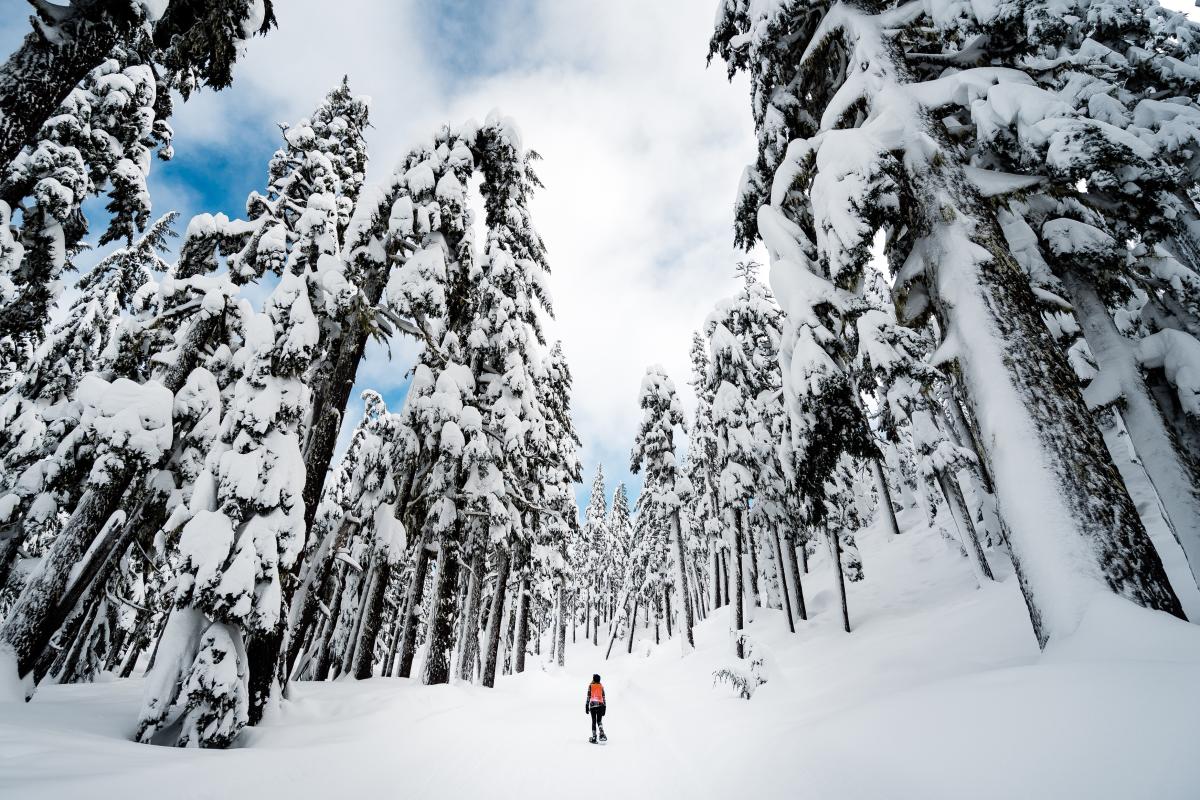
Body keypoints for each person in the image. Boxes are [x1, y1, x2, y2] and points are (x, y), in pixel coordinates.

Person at [585, 673, 607, 743]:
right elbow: (603, 697)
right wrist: (605, 707)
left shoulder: (590, 686)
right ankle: (602, 733)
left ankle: (594, 737)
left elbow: (588, 697)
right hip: (600, 705)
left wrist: (586, 705)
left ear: (594, 679)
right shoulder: (601, 686)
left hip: (592, 706)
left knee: (594, 721)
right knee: (599, 721)